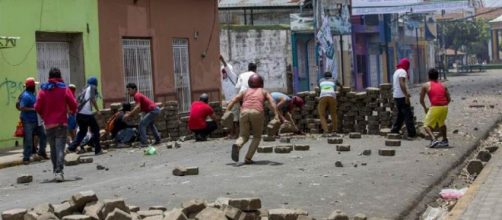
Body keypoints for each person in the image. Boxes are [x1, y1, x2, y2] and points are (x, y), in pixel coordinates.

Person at [225, 73, 279, 164]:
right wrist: (276, 115)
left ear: (249, 83)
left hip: (244, 112)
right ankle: (248, 158)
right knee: (257, 137)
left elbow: (234, 99)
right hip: (257, 112)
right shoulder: (263, 91)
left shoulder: (245, 91)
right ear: (261, 83)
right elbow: (272, 101)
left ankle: (237, 145)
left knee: (243, 136)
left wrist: (227, 111)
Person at [35, 68, 77, 182]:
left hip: (49, 124)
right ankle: (59, 170)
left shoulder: (43, 89)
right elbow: (73, 103)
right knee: (60, 148)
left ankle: (55, 170)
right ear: (60, 76)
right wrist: (72, 111)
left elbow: (37, 106)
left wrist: (44, 116)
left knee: (53, 148)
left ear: (49, 76)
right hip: (61, 123)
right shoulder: (64, 88)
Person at [68, 77, 102, 155]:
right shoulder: (92, 87)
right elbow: (93, 100)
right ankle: (98, 149)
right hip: (87, 114)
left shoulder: (85, 89)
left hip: (79, 114)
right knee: (96, 130)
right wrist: (98, 110)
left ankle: (71, 148)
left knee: (82, 132)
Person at [420, 68, 451, 148]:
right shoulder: (443, 85)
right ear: (437, 76)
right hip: (444, 107)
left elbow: (421, 100)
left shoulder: (425, 85)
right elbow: (449, 99)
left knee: (426, 125)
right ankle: (445, 140)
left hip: (435, 107)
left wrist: (425, 108)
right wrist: (443, 104)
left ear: (428, 76)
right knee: (442, 123)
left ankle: (434, 140)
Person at [19, 77, 47, 164]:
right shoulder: (26, 96)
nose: (35, 86)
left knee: (43, 135)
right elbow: (22, 107)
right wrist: (33, 109)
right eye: (34, 85)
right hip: (28, 121)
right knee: (28, 139)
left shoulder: (32, 94)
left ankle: (41, 152)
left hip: (36, 120)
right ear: (32, 86)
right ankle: (26, 157)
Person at [123, 83, 161, 147]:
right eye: (127, 90)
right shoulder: (138, 95)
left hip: (153, 110)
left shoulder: (136, 95)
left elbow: (137, 107)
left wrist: (129, 115)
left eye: (129, 90)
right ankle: (158, 139)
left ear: (134, 89)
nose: (128, 92)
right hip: (155, 110)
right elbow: (139, 109)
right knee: (151, 125)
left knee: (142, 124)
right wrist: (130, 114)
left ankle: (144, 143)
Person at [390, 58, 417, 138]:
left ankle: (395, 130)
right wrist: (406, 95)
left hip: (396, 96)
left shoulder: (397, 71)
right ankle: (412, 133)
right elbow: (401, 83)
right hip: (402, 96)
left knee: (401, 114)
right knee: (408, 115)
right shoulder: (402, 71)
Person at [220, 55, 239, 139]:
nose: (223, 73)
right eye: (222, 71)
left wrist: (222, 59)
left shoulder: (232, 76)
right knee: (230, 118)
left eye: (225, 71)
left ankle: (235, 134)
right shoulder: (223, 79)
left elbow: (226, 66)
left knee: (234, 118)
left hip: (234, 100)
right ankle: (232, 133)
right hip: (228, 101)